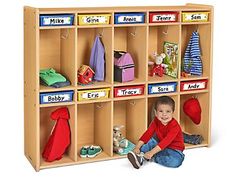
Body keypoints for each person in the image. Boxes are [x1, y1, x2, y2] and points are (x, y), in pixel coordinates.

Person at [127, 96, 185, 169]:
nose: (164, 114)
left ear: (173, 112)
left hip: (174, 150)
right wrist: (137, 147)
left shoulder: (175, 126)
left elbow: (165, 142)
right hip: (158, 146)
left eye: (168, 111)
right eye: (161, 111)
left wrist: (151, 153)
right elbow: (147, 134)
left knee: (175, 162)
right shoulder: (156, 121)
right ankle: (138, 154)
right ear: (156, 112)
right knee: (150, 142)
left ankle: (150, 158)